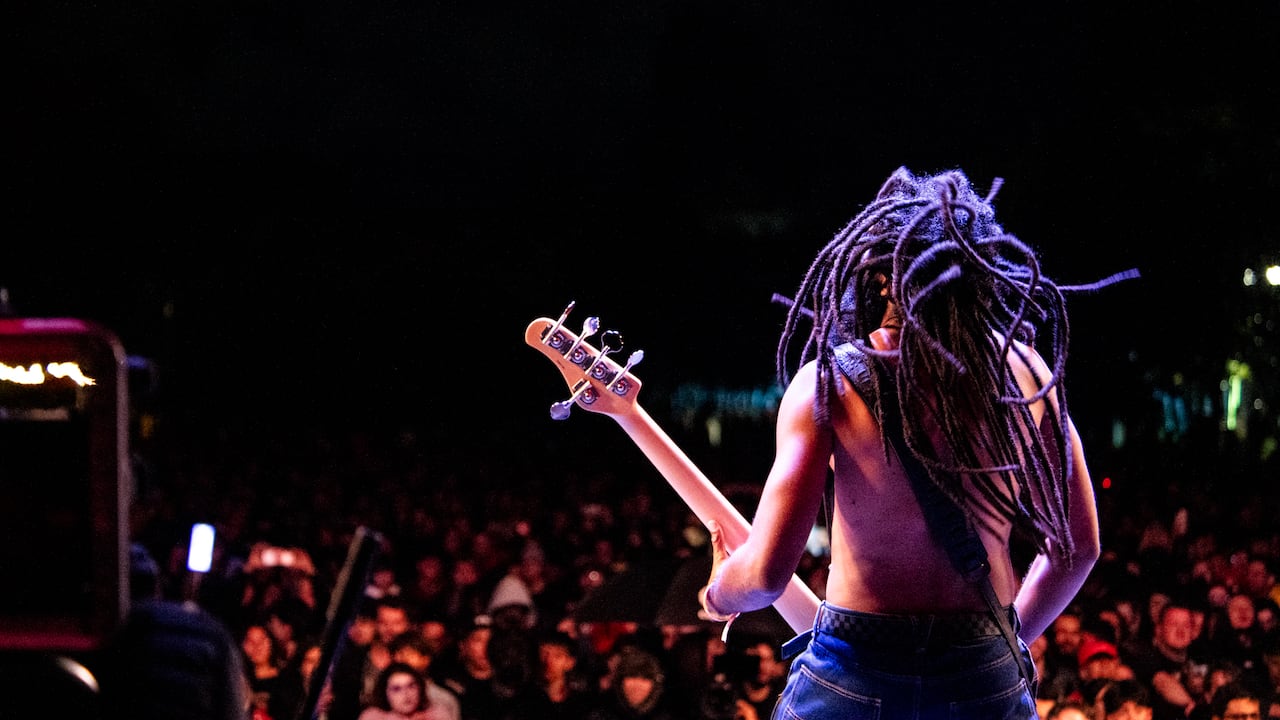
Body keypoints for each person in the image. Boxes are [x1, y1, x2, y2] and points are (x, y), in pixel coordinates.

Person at [698, 167, 1126, 718]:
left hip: (856, 670)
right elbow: (1077, 548)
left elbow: (764, 574)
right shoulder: (1024, 371)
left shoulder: (829, 384)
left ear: (881, 274)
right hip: (982, 672)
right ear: (980, 271)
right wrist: (1003, 639)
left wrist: (716, 594)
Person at [357, 662, 450, 720]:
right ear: (385, 693)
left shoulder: (438, 715)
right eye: (397, 689)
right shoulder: (372, 717)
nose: (406, 694)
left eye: (411, 686)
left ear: (420, 688)